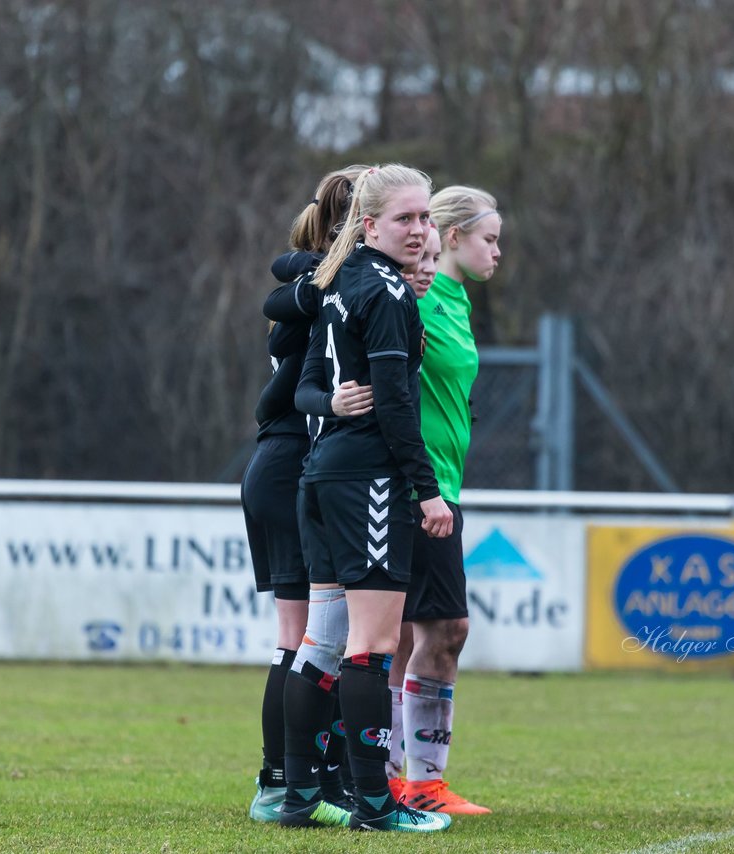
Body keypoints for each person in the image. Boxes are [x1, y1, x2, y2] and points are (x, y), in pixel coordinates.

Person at [282, 163, 454, 833]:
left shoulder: (340, 279)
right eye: (406, 219)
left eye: (425, 218)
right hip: (368, 481)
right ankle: (376, 805)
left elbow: (309, 386)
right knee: (374, 645)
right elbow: (397, 404)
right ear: (371, 224)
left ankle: (298, 795)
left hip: (323, 475)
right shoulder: (386, 291)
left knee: (322, 644)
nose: (419, 230)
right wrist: (426, 490)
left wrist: (330, 403)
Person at [242, 166, 368, 824]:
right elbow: (282, 389)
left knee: (325, 637)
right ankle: (284, 783)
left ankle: (318, 781)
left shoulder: (318, 283)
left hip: (291, 462)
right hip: (292, 463)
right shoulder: (324, 291)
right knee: (303, 637)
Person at [385, 187, 500, 816]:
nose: (498, 251)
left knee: (410, 636)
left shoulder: (448, 300)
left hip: (439, 489)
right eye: (489, 237)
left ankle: (405, 782)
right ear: (452, 237)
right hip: (414, 490)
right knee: (437, 631)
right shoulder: (419, 302)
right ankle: (409, 783)